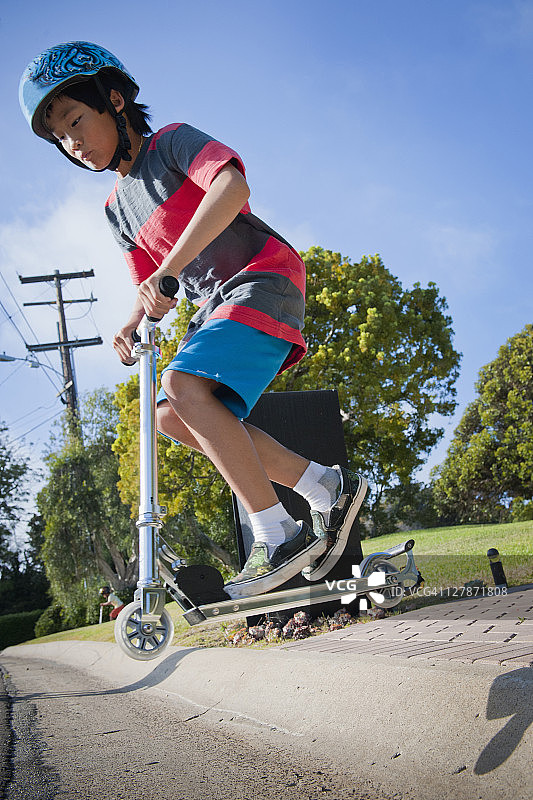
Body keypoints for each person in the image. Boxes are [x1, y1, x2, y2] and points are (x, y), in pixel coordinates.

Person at [19, 41, 368, 598]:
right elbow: (147, 278)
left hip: (263, 277)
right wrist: (132, 319)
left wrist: (170, 273)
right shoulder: (116, 210)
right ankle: (322, 485)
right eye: (60, 136)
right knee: (170, 414)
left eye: (76, 119)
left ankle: (275, 534)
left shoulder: (172, 142)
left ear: (114, 100)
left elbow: (232, 189)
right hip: (216, 303)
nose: (73, 142)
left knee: (182, 385)